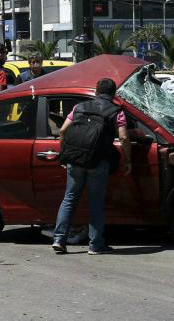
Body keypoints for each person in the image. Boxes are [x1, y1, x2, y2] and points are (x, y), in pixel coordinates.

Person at [52, 78, 132, 255]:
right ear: (113, 94)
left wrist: (66, 155)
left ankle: (59, 239)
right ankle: (95, 245)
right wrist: (128, 160)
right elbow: (124, 137)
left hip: (75, 160)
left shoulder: (79, 107)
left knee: (70, 198)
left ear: (96, 91)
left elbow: (63, 130)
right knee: (95, 203)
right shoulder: (116, 111)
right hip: (98, 161)